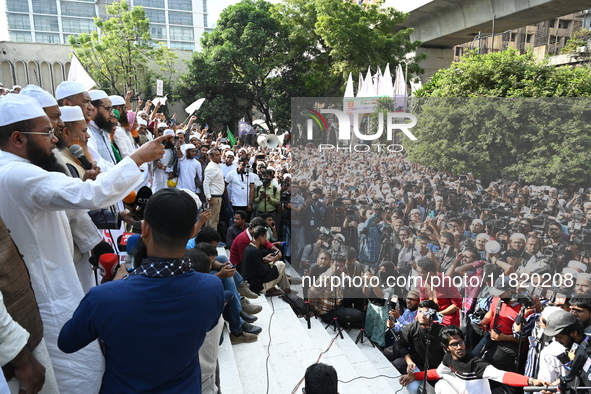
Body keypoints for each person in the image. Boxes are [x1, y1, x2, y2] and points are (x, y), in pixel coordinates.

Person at [0, 93, 171, 393]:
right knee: (82, 376)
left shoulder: (16, 171)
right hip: (51, 300)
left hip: (51, 288)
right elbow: (91, 196)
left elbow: (72, 209)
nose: (54, 139)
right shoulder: (19, 174)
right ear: (17, 138)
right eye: (47, 132)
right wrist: (140, 156)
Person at [58, 188, 224, 393]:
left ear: (144, 229)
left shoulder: (102, 298)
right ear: (192, 231)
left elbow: (66, 342)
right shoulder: (212, 287)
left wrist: (121, 275)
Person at [399, 326, 549, 394]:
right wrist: (414, 376)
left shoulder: (476, 364)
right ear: (446, 348)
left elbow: (503, 376)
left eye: (461, 342)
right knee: (441, 384)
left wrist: (531, 381)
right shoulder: (447, 358)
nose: (459, 347)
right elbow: (436, 373)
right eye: (454, 344)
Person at [394, 300, 446, 394]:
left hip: (438, 369)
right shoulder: (410, 328)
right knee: (412, 388)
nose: (422, 315)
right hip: (419, 366)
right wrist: (409, 361)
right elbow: (402, 345)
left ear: (433, 315)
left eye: (426, 313)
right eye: (420, 311)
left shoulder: (443, 332)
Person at [307, 253, 363, 329]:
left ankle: (358, 320)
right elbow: (310, 294)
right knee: (358, 315)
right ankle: (352, 320)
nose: (338, 268)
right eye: (336, 265)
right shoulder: (325, 278)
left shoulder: (340, 274)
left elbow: (345, 276)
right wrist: (313, 310)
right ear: (331, 264)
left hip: (339, 303)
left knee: (358, 289)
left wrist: (350, 281)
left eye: (341, 266)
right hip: (329, 312)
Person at [241, 225, 291, 297]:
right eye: (265, 237)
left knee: (279, 267)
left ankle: (286, 289)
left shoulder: (249, 247)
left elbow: (256, 265)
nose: (265, 240)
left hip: (252, 281)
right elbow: (262, 272)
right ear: (260, 237)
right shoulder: (254, 251)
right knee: (281, 264)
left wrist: (264, 259)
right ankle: (274, 289)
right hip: (256, 286)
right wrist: (272, 261)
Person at [203, 148, 225, 230]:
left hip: (217, 196)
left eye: (219, 154)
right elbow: (206, 183)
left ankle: (208, 238)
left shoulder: (217, 166)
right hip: (214, 197)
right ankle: (211, 240)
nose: (219, 157)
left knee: (211, 220)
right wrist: (209, 197)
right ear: (211, 157)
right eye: (217, 155)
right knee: (213, 220)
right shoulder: (211, 168)